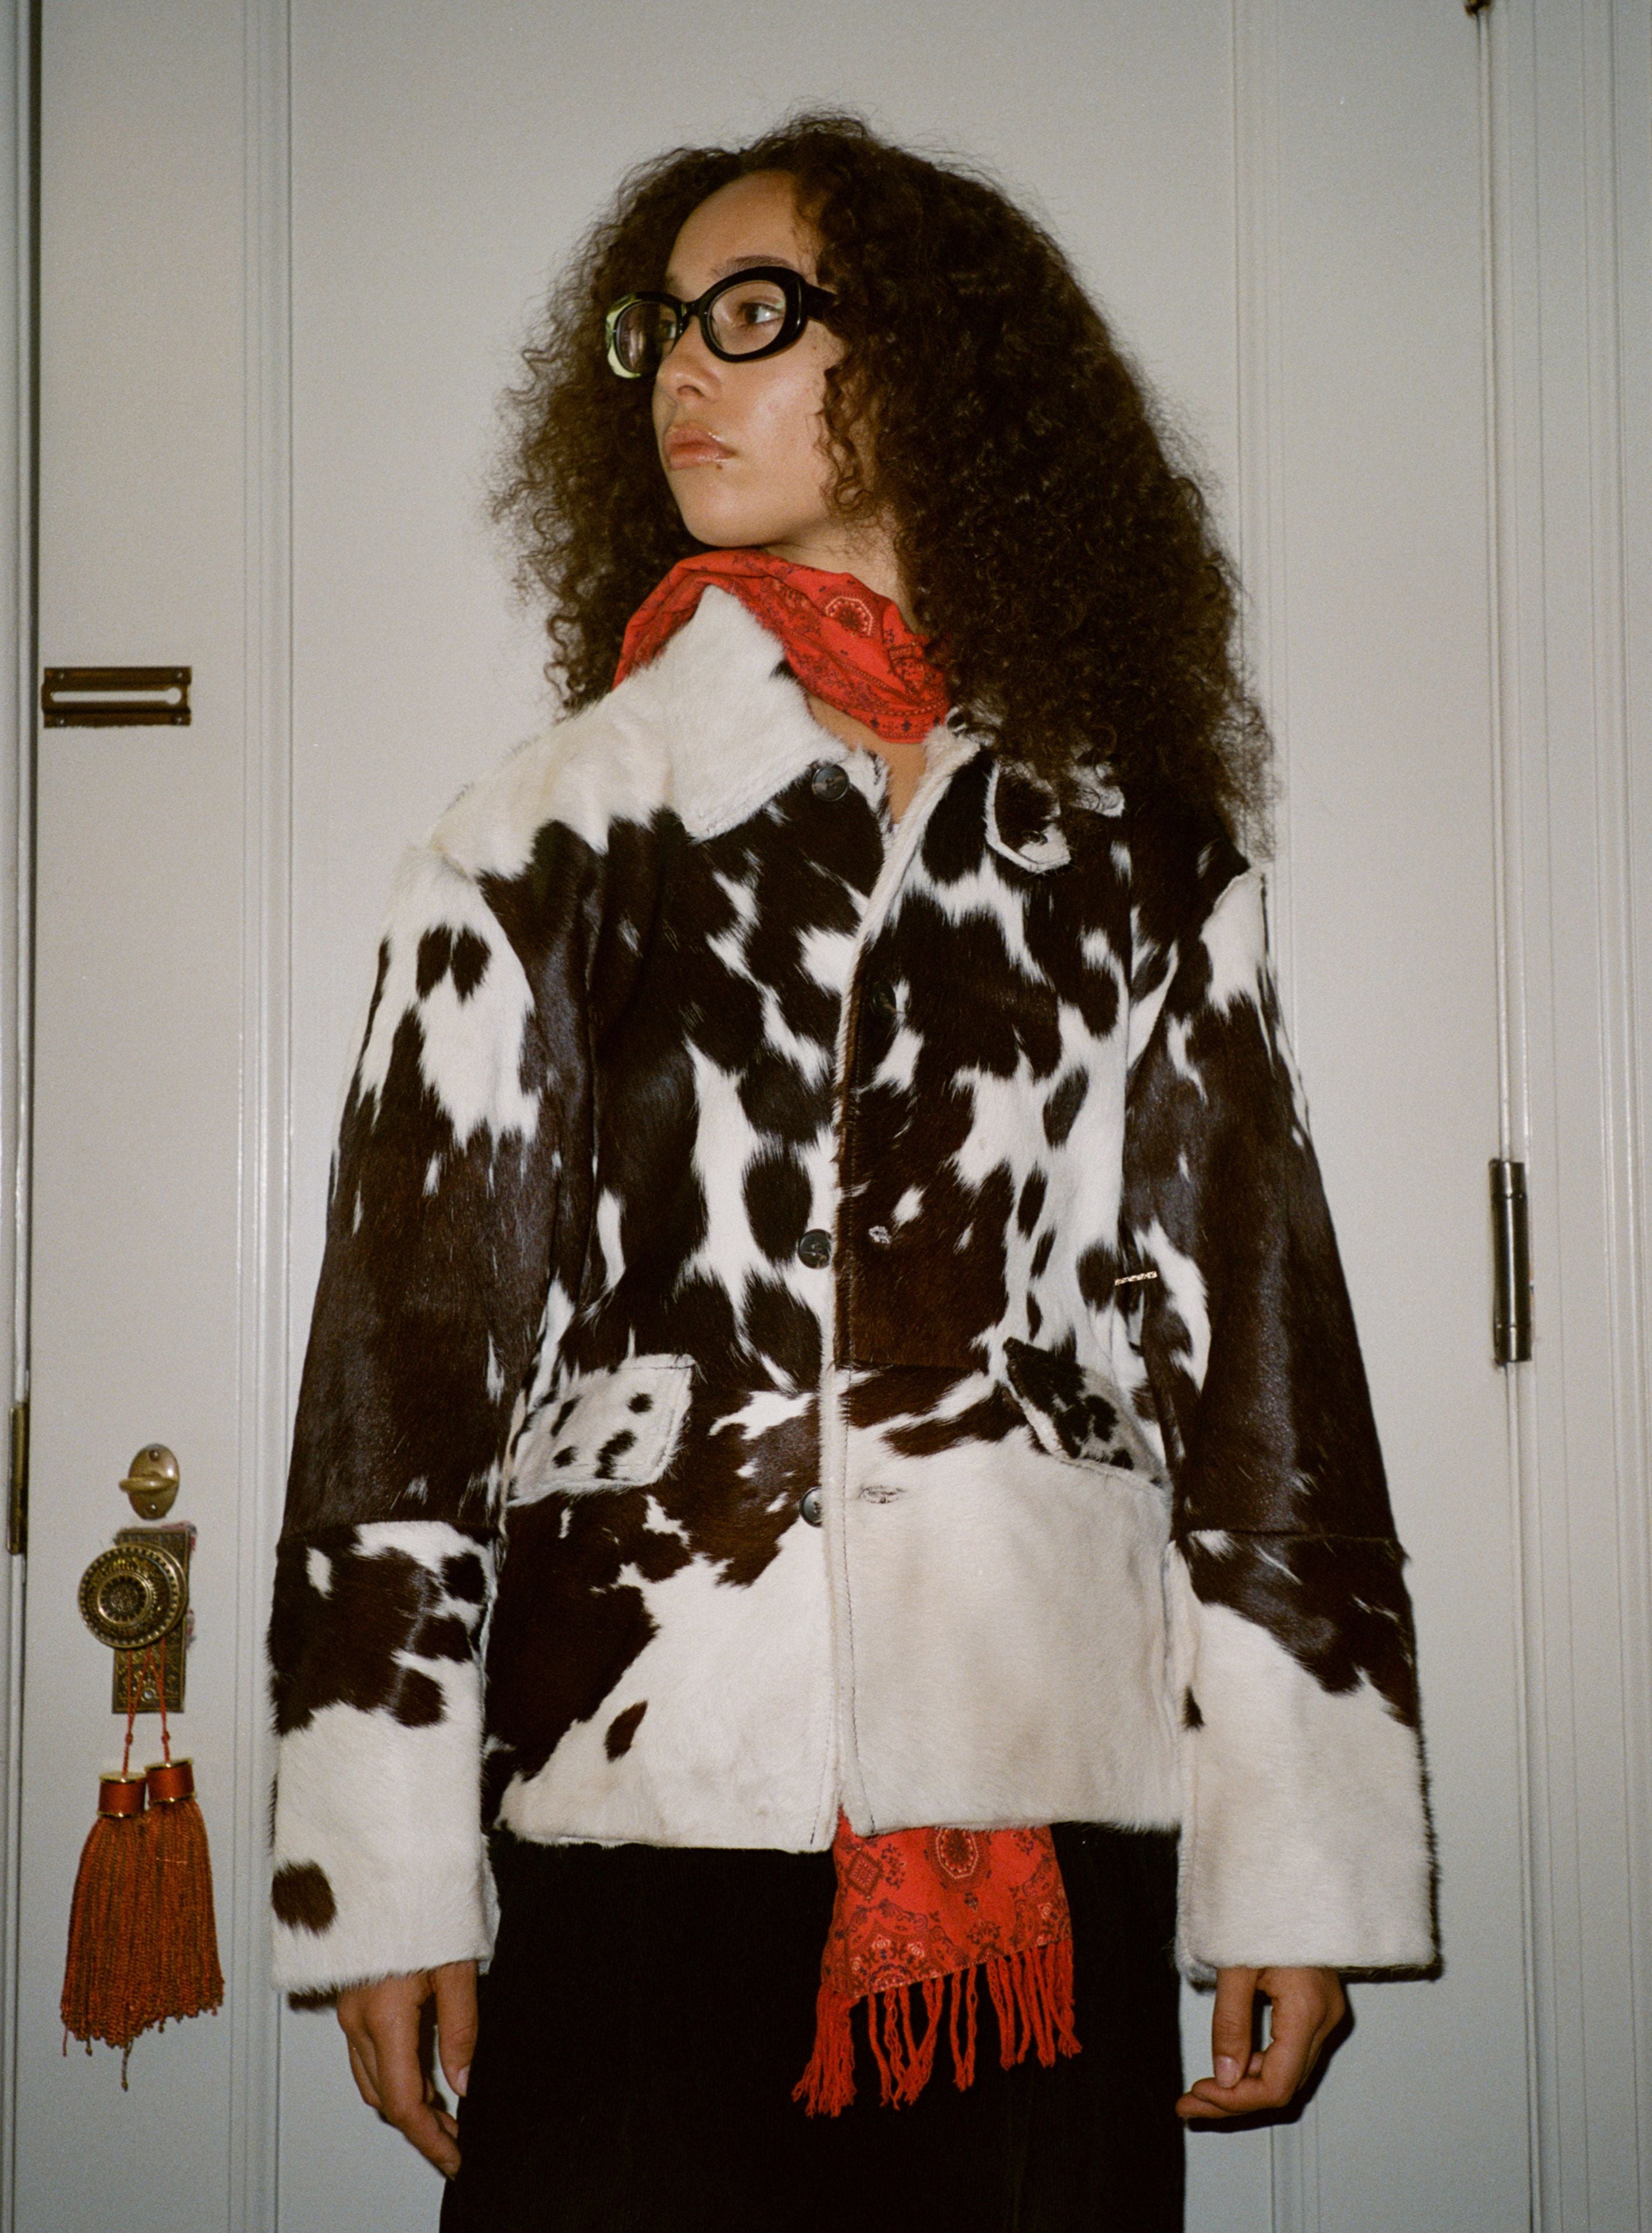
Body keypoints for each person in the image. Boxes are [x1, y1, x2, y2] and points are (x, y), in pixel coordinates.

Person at [267, 113, 1433, 2231]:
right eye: (661, 331)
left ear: (933, 371)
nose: (682, 376)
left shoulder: (1133, 854)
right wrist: (380, 1865)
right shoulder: (550, 839)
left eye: (756, 316)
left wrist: (1305, 1854)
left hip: (1044, 1837)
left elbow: (1260, 1374)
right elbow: (403, 1379)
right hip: (641, 1813)